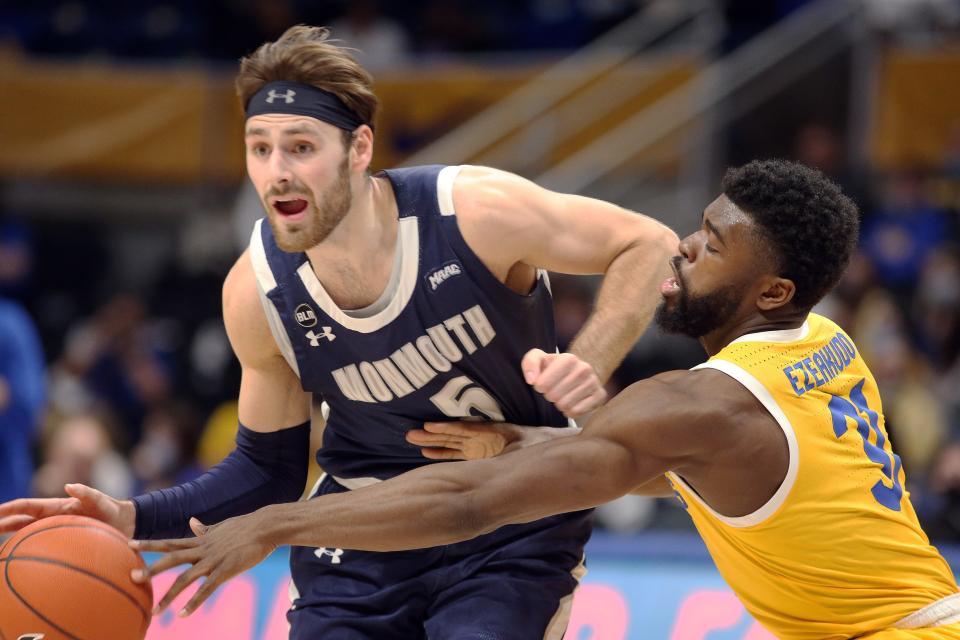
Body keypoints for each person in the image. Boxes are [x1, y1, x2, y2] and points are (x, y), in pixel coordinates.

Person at [0, 25, 677, 639]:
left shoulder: (470, 211)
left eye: (300, 147)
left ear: (359, 148)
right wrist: (133, 518)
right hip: (363, 531)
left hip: (511, 521)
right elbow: (268, 470)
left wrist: (586, 359)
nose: (278, 172)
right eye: (259, 149)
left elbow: (648, 243)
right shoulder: (255, 290)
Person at [133, 160, 960, 639]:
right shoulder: (827, 346)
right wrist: (531, 448)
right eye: (698, 227)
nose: (684, 248)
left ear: (773, 288)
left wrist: (273, 524)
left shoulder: (700, 404)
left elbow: (468, 505)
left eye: (713, 249)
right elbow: (705, 475)